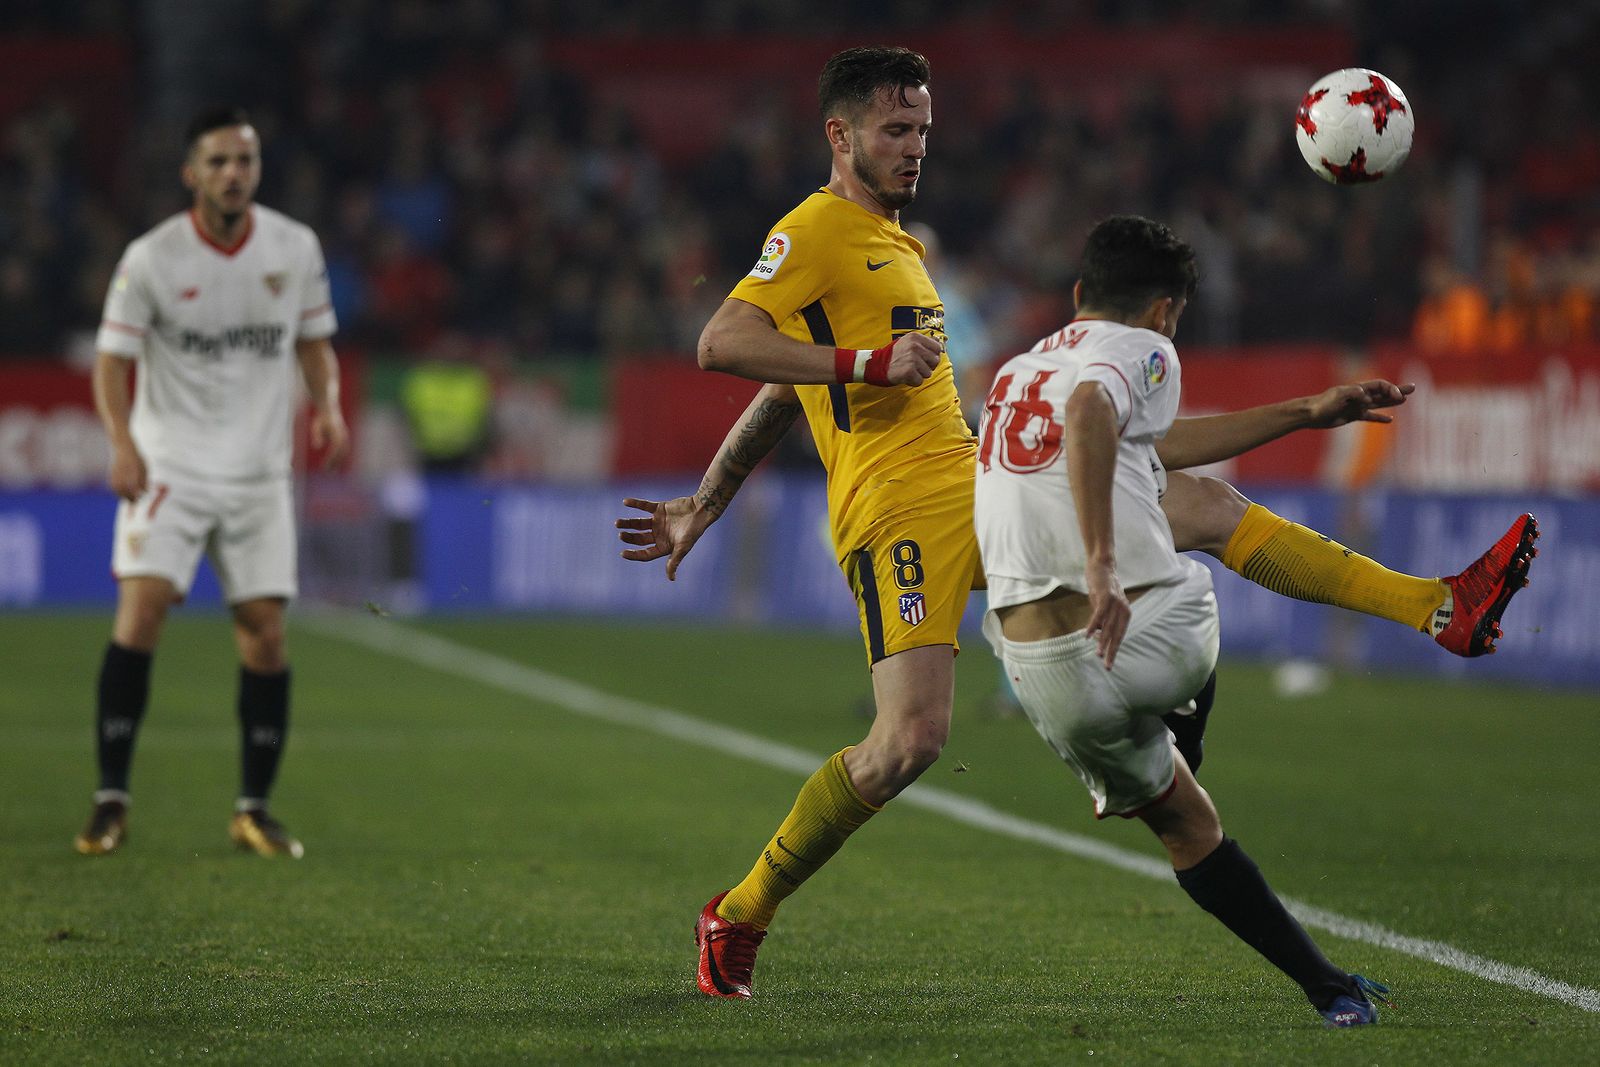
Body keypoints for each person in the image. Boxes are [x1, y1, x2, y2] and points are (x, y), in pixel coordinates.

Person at [617, 48, 1536, 1002]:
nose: (915, 146)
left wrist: (708, 497)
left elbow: (782, 386)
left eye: (923, 129)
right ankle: (739, 913)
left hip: (969, 478)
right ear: (838, 135)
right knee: (908, 742)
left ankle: (1440, 607)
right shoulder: (811, 229)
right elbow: (723, 342)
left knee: (1206, 506)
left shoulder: (900, 246)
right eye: (895, 130)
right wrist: (863, 366)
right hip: (894, 515)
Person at [972, 215, 1536, 1026]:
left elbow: (1140, 438)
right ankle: (1434, 607)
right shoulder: (1141, 348)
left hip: (1042, 676)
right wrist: (1100, 563)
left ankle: (1329, 989)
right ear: (1165, 310)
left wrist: (1306, 410)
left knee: (1189, 826)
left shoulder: (1019, 371)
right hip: (1147, 634)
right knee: (1209, 526)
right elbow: (1097, 409)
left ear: (1078, 292)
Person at [76, 106, 349, 859]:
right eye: (219, 161)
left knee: (266, 632)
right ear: (191, 173)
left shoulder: (294, 247)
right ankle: (110, 799)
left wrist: (327, 406)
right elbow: (111, 362)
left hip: (259, 473)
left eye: (245, 161)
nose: (234, 174)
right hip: (171, 465)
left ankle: (253, 809)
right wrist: (122, 444)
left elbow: (315, 342)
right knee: (142, 613)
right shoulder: (152, 257)